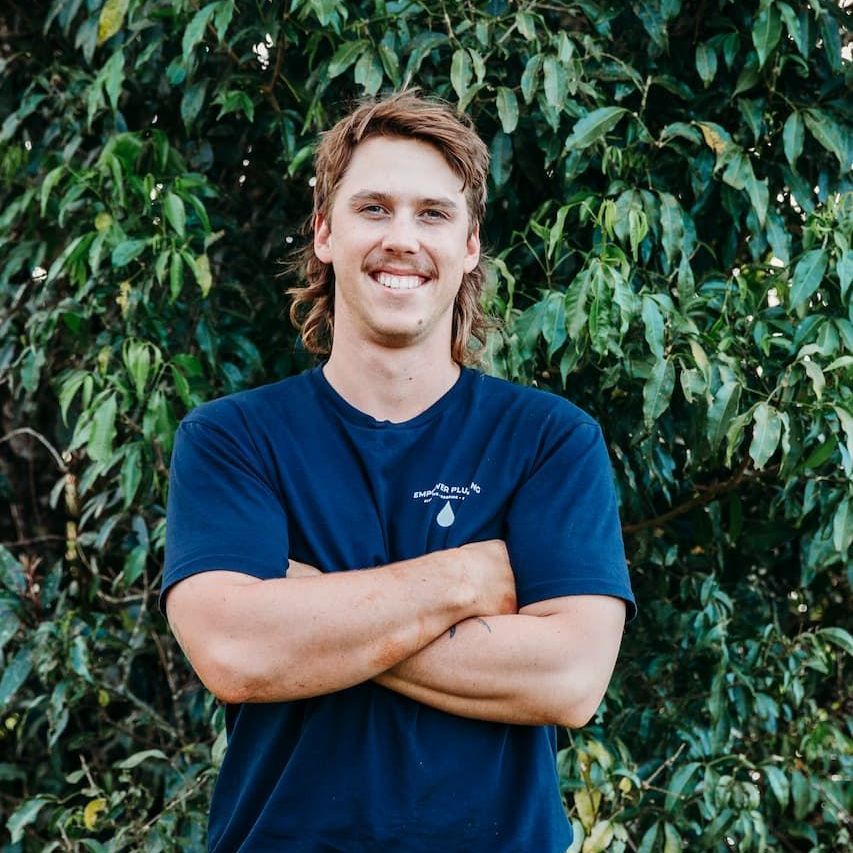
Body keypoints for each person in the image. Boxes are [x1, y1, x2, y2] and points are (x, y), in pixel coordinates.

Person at [162, 90, 636, 852]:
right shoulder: (232, 439)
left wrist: (308, 612)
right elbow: (237, 653)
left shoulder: (550, 440)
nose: (402, 239)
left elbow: (569, 679)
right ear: (324, 231)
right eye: (373, 208)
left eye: (433, 214)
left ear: (470, 244)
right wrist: (461, 582)